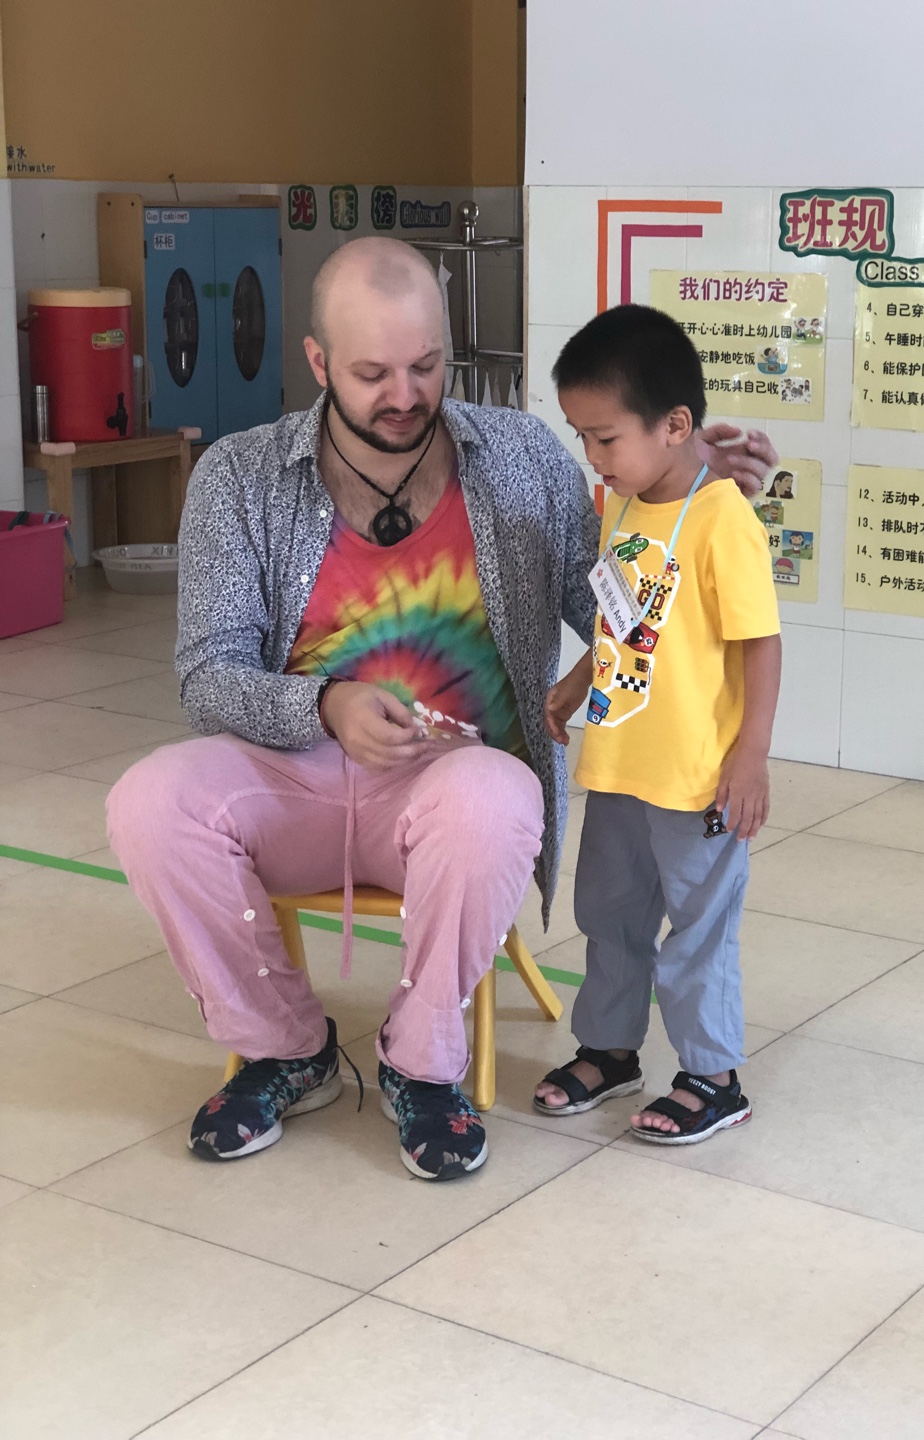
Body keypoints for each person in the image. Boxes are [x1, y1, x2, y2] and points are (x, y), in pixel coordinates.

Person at [106, 239, 779, 1181]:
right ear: (317, 363)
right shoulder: (239, 476)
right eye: (372, 373)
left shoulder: (518, 456)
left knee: (493, 796)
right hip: (295, 775)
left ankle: (421, 1064)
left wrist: (685, 490)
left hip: (456, 789)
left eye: (426, 366)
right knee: (148, 802)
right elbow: (206, 679)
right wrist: (325, 704)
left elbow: (618, 607)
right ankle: (284, 1048)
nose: (405, 394)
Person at [533, 304, 782, 1144]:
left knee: (698, 928)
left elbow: (760, 644)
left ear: (676, 426)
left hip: (697, 776)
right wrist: (575, 683)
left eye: (605, 438)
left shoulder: (723, 520)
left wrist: (750, 756)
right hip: (619, 763)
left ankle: (713, 1076)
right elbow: (623, 619)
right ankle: (610, 1050)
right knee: (610, 913)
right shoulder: (625, 505)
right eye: (583, 437)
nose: (593, 458)